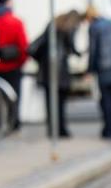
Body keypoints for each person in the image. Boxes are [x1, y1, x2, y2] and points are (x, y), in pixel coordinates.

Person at [29, 10, 82, 138]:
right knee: (60, 103)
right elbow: (71, 47)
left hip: (48, 70)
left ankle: (52, 129)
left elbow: (38, 47)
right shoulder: (69, 29)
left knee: (51, 102)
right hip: (61, 71)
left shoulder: (52, 26)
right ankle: (61, 129)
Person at [0, 0, 28, 131]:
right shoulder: (16, 22)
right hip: (13, 66)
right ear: (9, 3)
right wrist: (21, 63)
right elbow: (23, 47)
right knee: (14, 97)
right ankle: (14, 122)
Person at [85, 6, 111, 139]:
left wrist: (90, 69)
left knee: (107, 101)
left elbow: (94, 50)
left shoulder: (94, 27)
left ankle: (108, 130)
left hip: (105, 69)